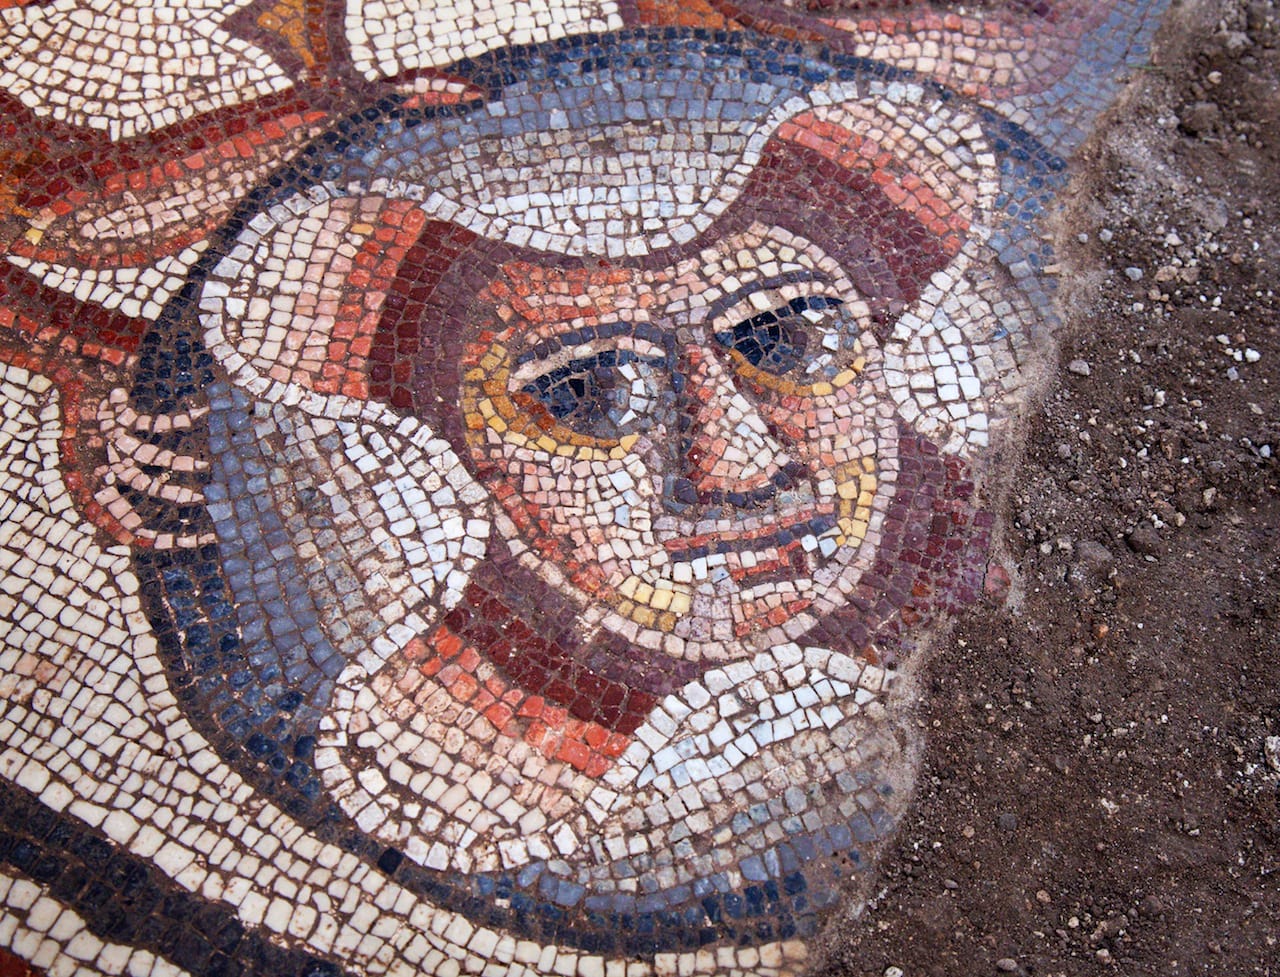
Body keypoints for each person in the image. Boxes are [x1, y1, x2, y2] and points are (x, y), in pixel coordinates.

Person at [119, 25, 1064, 961]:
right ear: (459, 448)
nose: (737, 465)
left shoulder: (976, 540)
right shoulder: (475, 730)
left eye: (789, 339)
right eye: (590, 392)